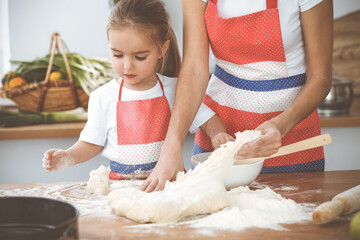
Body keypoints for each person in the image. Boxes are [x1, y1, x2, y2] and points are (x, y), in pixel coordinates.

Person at [140, 0, 333, 192]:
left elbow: (320, 77)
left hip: (290, 135)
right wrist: (171, 148)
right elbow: (193, 70)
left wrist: (281, 125)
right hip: (220, 135)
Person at [42, 0, 231, 179]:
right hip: (120, 186)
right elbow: (91, 143)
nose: (127, 67)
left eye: (140, 57)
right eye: (117, 55)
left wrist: (217, 134)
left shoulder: (177, 91)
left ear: (162, 49)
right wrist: (68, 156)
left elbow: (208, 120)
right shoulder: (103, 97)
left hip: (168, 183)